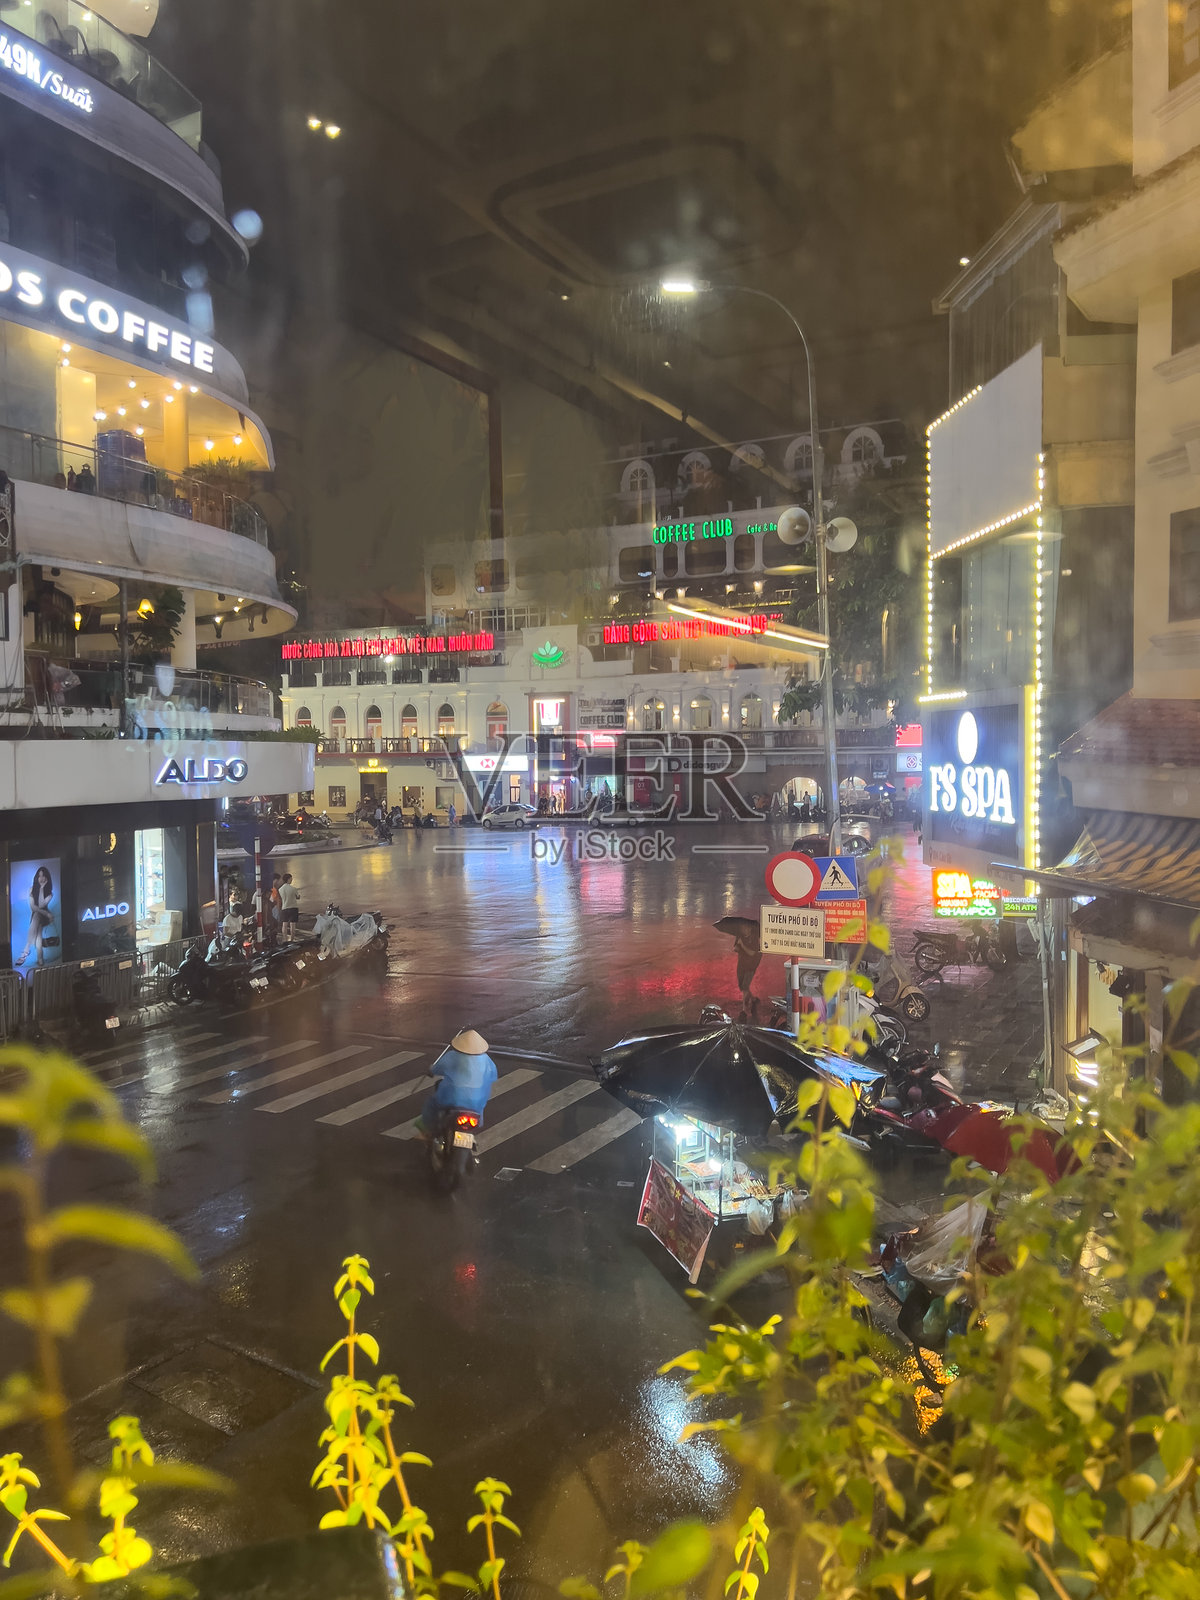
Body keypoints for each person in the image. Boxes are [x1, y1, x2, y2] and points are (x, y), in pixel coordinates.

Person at [417, 1028, 499, 1137]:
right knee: (479, 1105)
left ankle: (429, 1131)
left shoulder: (452, 1056)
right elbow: (492, 1075)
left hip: (452, 1099)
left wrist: (431, 1070)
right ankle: (478, 1123)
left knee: (431, 1104)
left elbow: (438, 1069)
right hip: (476, 1103)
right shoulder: (486, 1059)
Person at [13, 865, 54, 967]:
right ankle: (40, 959)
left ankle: (26, 950)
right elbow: (33, 907)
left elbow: (40, 905)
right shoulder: (31, 889)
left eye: (43, 876)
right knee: (38, 934)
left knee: (36, 917)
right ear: (36, 877)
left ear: (47, 878)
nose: (41, 878)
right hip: (43, 915)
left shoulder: (50, 893)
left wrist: (42, 889)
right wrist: (46, 913)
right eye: (39, 876)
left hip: (44, 918)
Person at [278, 872, 301, 941]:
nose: (291, 880)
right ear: (288, 879)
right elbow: (298, 897)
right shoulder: (293, 889)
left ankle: (285, 939)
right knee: (292, 925)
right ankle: (292, 939)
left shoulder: (280, 889)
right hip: (293, 907)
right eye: (291, 879)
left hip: (284, 908)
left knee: (284, 925)